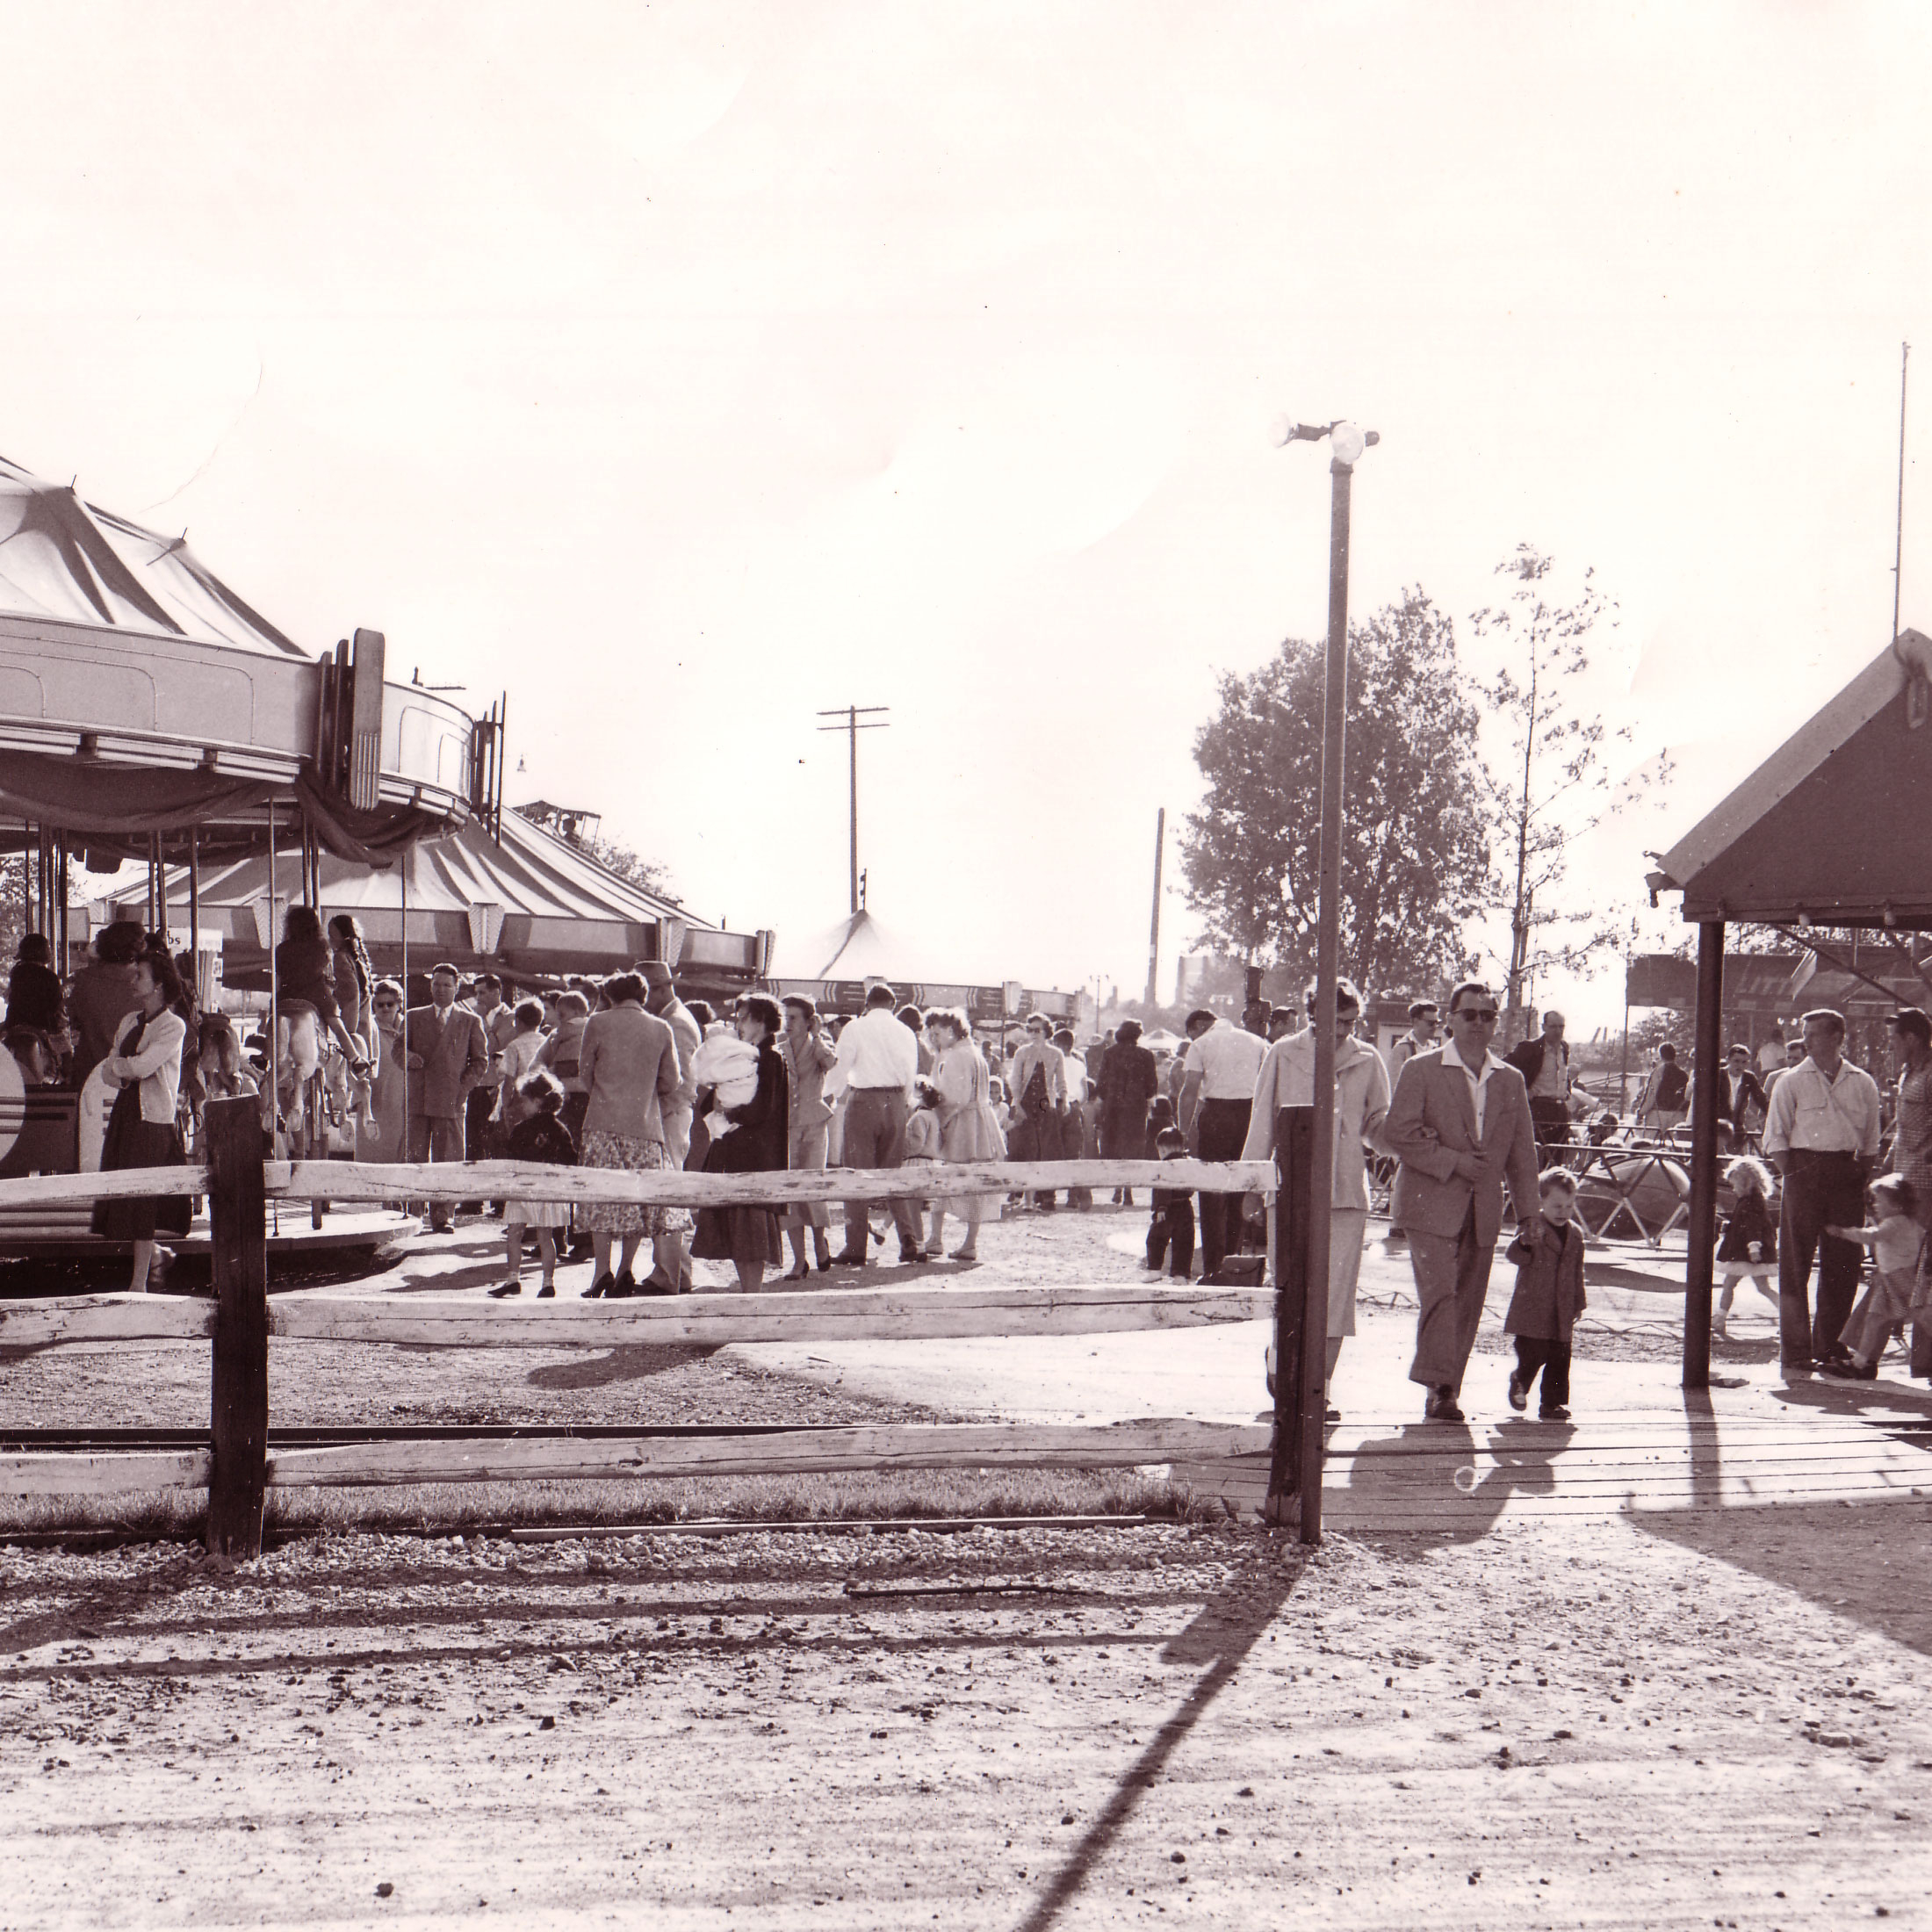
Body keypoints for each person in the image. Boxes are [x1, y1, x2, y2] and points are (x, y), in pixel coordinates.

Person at [1382, 979, 1540, 1423]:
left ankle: (1448, 1386)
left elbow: (1522, 1153)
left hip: (1484, 1209)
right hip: (1429, 1205)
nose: (1477, 1023)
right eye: (1468, 1014)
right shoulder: (1421, 1069)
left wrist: (1530, 1213)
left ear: (1497, 1022)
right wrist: (1452, 1161)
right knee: (1441, 1295)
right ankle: (1439, 1387)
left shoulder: (1510, 1079)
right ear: (1450, 1020)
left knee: (1469, 1301)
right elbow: (1397, 1133)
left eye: (1487, 1015)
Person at [1241, 978, 1391, 1418]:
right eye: (1335, 1023)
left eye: (1350, 1023)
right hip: (1289, 1191)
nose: (1344, 1031)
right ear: (1313, 1016)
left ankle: (1318, 1389)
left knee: (1336, 1296)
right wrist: (1253, 1185)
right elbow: (1262, 1121)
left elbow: (1377, 1123)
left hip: (1345, 1193)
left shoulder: (1368, 1058)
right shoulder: (1283, 1053)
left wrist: (1401, 1135)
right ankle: (1281, 1363)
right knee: (1288, 1289)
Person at [1761, 1006, 1882, 1379]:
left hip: (1846, 1173)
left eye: (1814, 1033)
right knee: (1795, 1264)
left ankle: (1829, 1346)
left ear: (1836, 1037)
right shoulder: (1790, 1081)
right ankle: (1795, 1351)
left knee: (1843, 1264)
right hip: (1803, 1171)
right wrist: (1795, 1177)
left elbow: (1872, 1141)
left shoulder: (1863, 1082)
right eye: (1805, 1033)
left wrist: (1855, 1176)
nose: (1806, 1040)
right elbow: (1776, 1138)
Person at [576, 970, 686, 1298]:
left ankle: (601, 1273)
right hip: (646, 1126)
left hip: (601, 1122)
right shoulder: (661, 1027)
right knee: (637, 1202)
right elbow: (672, 1082)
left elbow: (585, 1073)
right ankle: (626, 1270)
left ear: (609, 995)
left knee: (599, 1200)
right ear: (644, 995)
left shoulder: (597, 1023)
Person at [90, 944, 191, 1293]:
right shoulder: (128, 1021)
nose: (133, 981)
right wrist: (125, 1070)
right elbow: (109, 1072)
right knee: (129, 1197)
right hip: (127, 1115)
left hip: (153, 1120)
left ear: (159, 984)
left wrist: (124, 1069)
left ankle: (139, 1284)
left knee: (143, 1200)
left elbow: (144, 1066)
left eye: (140, 976)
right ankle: (159, 1257)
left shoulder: (173, 1026)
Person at [690, 993, 789, 1292]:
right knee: (737, 1228)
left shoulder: (770, 1058)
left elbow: (761, 1109)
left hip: (754, 1155)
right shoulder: (743, 1055)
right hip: (736, 1150)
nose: (738, 1023)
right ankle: (749, 1294)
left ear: (761, 1020)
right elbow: (707, 1100)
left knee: (749, 1228)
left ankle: (752, 1295)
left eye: (743, 1017)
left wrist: (728, 1110)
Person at [829, 983, 922, 1266]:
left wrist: (829, 1095)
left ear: (867, 1004)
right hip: (895, 1102)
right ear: (892, 1005)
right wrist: (900, 1104)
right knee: (892, 1175)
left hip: (864, 1100)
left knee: (856, 1174)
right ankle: (909, 1239)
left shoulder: (855, 1028)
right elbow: (911, 1073)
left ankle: (856, 1246)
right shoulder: (905, 1031)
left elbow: (840, 1069)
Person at [398, 962, 490, 1234]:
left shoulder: (470, 1020)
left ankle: (443, 1215)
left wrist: (461, 1091)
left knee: (448, 1157)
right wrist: (407, 1058)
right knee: (414, 1155)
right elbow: (396, 1050)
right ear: (431, 986)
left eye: (446, 985)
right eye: (436, 984)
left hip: (451, 1100)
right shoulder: (413, 1017)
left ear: (456, 988)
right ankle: (413, 1211)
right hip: (418, 1097)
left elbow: (480, 1062)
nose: (440, 990)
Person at [1178, 1006, 1268, 1278]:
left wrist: (1183, 1131)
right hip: (1249, 1117)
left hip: (1216, 1116)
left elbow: (1189, 1091)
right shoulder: (1257, 1042)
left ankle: (1212, 1267)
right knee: (1239, 1192)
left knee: (1210, 1192)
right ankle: (1232, 1263)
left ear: (1197, 1027)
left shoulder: (1202, 1044)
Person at [1502, 1168, 1587, 1422]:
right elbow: (1514, 1256)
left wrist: (1578, 1302)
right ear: (1541, 1202)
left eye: (1569, 1206)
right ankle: (1520, 1380)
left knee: (1560, 1357)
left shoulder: (1575, 1234)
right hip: (1533, 1308)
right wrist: (1525, 1242)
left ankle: (1552, 1403)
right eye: (1557, 1205)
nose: (1563, 1212)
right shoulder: (1533, 1228)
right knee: (1533, 1353)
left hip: (1561, 1309)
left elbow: (1577, 1272)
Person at [1822, 1174, 1926, 1381]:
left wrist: (1842, 1232)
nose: (1876, 1204)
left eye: (1880, 1200)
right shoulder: (1910, 1222)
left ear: (1897, 1205)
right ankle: (1862, 1362)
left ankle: (1861, 1364)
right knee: (1876, 1319)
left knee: (1881, 1319)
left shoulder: (1895, 1223)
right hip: (1895, 1278)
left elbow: (1872, 1236)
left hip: (1897, 1279)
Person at [487, 1069, 578, 1299]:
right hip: (548, 1190)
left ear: (537, 1101)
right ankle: (548, 1283)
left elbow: (511, 1159)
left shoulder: (522, 1129)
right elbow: (570, 1160)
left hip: (523, 1189)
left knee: (514, 1234)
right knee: (545, 1236)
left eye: (525, 1100)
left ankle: (513, 1279)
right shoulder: (561, 1130)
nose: (522, 1105)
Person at [927, 1007, 1004, 1263]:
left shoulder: (958, 1056)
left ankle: (939, 1238)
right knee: (974, 1183)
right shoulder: (975, 1053)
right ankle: (962, 1241)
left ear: (951, 1030)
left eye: (937, 1033)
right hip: (981, 1121)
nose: (935, 1038)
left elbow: (955, 1098)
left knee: (948, 1179)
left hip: (964, 1123)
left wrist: (938, 1114)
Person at [1883, 1007, 1932, 1380]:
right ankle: (1920, 1359)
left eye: (1894, 1038)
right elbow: (1903, 1129)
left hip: (1927, 1186)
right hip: (1906, 1182)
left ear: (1912, 1038)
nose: (1890, 1046)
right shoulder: (1908, 1073)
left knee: (1917, 1270)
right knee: (1907, 1269)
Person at [777, 994, 838, 1279]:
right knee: (790, 1192)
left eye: (793, 1018)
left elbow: (831, 1063)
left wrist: (816, 1036)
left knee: (814, 1188)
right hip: (787, 1125)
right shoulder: (779, 1045)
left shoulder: (819, 1044)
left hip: (814, 1123)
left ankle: (819, 1243)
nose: (787, 1023)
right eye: (785, 1017)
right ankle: (799, 1260)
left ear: (808, 1021)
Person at [275, 906, 370, 1070]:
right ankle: (355, 1059)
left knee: (274, 1020)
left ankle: (264, 1057)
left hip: (287, 994)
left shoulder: (282, 948)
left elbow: (280, 972)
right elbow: (326, 970)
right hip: (315, 993)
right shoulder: (321, 945)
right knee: (337, 1026)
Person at [67, 919, 146, 1090]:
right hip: (135, 1080)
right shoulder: (147, 983)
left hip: (89, 1076)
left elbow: (72, 1019)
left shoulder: (83, 980)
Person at [1005, 1015, 1066, 1209]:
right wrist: (1018, 1104)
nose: (1032, 1034)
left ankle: (1046, 1196)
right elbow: (1014, 1081)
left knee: (1047, 1150)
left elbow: (1061, 1081)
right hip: (1026, 1104)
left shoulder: (1056, 1053)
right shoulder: (1022, 1052)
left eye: (1036, 1030)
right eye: (1029, 1030)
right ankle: (1021, 1195)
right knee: (1024, 1149)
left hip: (1045, 1104)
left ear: (1046, 1031)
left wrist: (1064, 1098)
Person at [1713, 1156, 1779, 1338]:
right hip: (1748, 1251)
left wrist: (1754, 1248)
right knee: (1762, 1288)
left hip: (1746, 1253)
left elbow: (1753, 1227)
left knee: (1729, 1285)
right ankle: (1787, 1316)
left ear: (1745, 1182)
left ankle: (1720, 1318)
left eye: (1735, 1185)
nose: (1733, 1189)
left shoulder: (1750, 1201)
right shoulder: (1752, 1200)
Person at [1097, 1018, 1157, 1206]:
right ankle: (1129, 1189)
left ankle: (1117, 1188)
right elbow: (1151, 1085)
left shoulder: (1110, 1053)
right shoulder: (1146, 1055)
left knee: (1115, 1146)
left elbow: (1102, 1082)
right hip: (1135, 1107)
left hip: (1113, 1106)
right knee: (1132, 1148)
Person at [1504, 1009, 1575, 1149]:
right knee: (1538, 1154)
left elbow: (1562, 1073)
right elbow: (1504, 1067)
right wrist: (1523, 1092)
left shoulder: (1564, 1048)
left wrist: (1567, 1091)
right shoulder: (1531, 1048)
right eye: (1553, 1026)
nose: (1558, 1031)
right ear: (1544, 1027)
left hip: (1560, 1110)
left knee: (1559, 1156)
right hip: (1539, 1109)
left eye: (1561, 1027)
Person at [363, 979, 407, 1158]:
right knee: (374, 1155)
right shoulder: (368, 1030)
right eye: (380, 1005)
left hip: (403, 1105)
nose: (385, 1008)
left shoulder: (410, 1028)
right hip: (377, 1104)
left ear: (399, 1005)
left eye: (390, 1004)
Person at [899, 1078, 945, 1255]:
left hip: (916, 1161)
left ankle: (919, 1246)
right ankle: (917, 1244)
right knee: (912, 1206)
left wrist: (904, 1152)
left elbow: (917, 1141)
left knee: (912, 1208)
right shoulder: (934, 1116)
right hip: (929, 1161)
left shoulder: (919, 1117)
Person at [1145, 1124, 1195, 1277]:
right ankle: (1180, 1274)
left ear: (1163, 1150)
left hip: (1167, 1209)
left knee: (1156, 1240)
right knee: (1184, 1242)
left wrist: (1161, 1207)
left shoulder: (1165, 1166)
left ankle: (1155, 1269)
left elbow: (1163, 1188)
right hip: (1185, 1206)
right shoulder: (1189, 1163)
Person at [1055, 1027, 1094, 1210]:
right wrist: (1078, 1104)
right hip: (1074, 1108)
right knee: (1074, 1152)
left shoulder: (1053, 1062)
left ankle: (1048, 1195)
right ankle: (1073, 1195)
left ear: (1058, 1044)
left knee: (1052, 1150)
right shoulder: (1079, 1065)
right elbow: (1085, 1092)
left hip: (1056, 1106)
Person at [327, 915, 376, 1057]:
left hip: (352, 1029)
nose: (330, 940)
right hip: (364, 1026)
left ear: (342, 937)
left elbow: (350, 996)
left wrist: (346, 1034)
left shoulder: (340, 958)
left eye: (332, 936)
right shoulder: (358, 958)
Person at [1712, 1043, 1769, 1154]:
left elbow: (1762, 1101)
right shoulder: (1717, 1075)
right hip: (1717, 1131)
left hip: (1737, 1131)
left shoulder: (1749, 1078)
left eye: (1744, 1062)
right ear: (1728, 1060)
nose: (1740, 1066)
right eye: (1736, 1061)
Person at [6, 931, 64, 1037]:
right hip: (41, 1026)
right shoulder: (50, 976)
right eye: (48, 948)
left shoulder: (16, 972)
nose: (51, 951)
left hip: (14, 1023)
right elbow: (56, 1007)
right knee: (66, 1051)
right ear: (40, 951)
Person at [1637, 1044, 1689, 1133]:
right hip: (1677, 1115)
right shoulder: (1683, 1074)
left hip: (1658, 1115)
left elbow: (1651, 1096)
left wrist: (1641, 1113)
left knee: (1652, 1144)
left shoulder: (1658, 1072)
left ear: (1661, 1056)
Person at [1388, 1000, 1440, 1076]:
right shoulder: (1402, 1049)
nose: (1435, 1027)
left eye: (1437, 1023)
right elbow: (1394, 1083)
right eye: (1430, 1023)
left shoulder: (1435, 1049)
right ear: (1416, 1022)